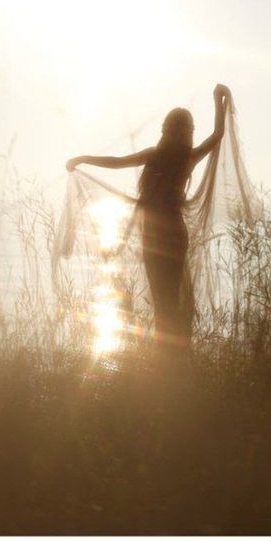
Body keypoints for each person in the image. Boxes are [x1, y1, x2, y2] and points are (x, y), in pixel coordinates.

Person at [66, 84, 230, 350]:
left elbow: (116, 161)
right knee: (170, 296)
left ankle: (169, 357)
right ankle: (174, 354)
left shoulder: (155, 156)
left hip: (156, 236)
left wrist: (83, 158)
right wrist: (218, 99)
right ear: (188, 132)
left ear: (165, 130)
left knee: (162, 297)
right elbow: (218, 134)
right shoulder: (185, 157)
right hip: (172, 234)